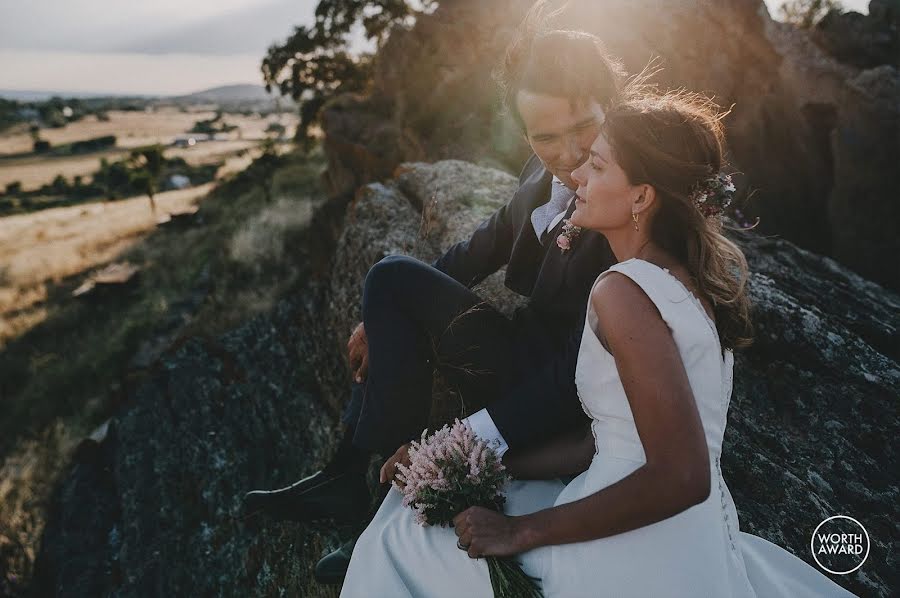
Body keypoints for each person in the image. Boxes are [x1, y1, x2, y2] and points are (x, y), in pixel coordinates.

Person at [339, 90, 858, 597]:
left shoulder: (623, 291)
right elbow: (599, 442)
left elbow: (683, 475)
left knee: (398, 542)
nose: (578, 175)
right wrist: (460, 462)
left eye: (600, 166)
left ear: (641, 197)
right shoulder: (685, 279)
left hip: (633, 546)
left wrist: (522, 531)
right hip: (683, 530)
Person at [242, 5, 625, 582]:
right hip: (525, 353)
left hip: (560, 391)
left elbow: (580, 363)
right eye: (545, 136)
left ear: (611, 104)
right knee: (391, 286)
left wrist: (466, 439)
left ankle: (374, 503)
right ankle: (346, 473)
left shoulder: (624, 200)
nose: (568, 155)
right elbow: (480, 246)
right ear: (525, 133)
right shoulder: (539, 176)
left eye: (582, 129)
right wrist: (382, 319)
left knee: (391, 279)